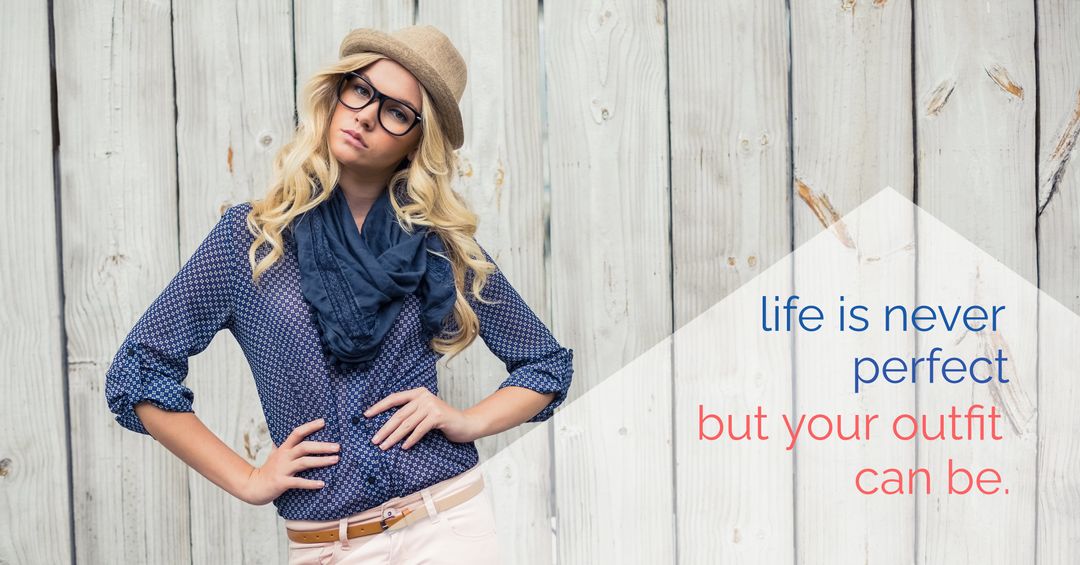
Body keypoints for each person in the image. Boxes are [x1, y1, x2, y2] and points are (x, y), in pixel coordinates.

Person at [104, 24, 574, 564]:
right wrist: (250, 479)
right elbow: (138, 373)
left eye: (398, 112)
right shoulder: (250, 240)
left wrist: (466, 420)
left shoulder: (437, 245)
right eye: (362, 90)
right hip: (329, 546)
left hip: (447, 524)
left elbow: (545, 367)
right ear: (337, 92)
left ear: (419, 142)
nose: (367, 114)